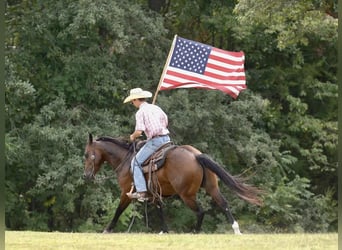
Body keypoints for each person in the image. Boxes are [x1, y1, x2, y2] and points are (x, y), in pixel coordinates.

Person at [123, 88, 170, 201]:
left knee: (135, 162)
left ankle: (141, 191)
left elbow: (139, 131)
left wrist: (132, 137)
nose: (132, 103)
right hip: (167, 139)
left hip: (155, 142)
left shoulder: (140, 112)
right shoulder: (156, 107)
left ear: (135, 100)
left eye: (132, 101)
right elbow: (166, 121)